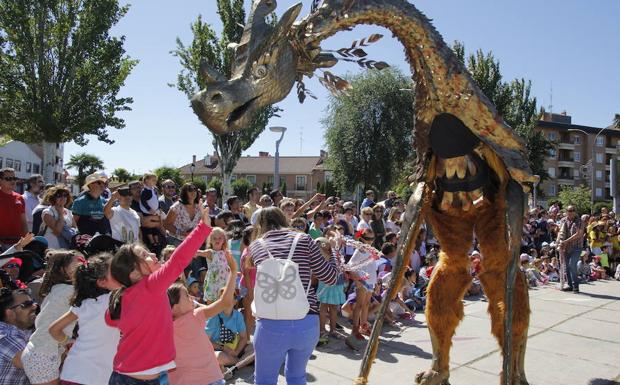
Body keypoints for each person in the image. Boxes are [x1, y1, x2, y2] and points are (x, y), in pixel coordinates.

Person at [105, 204, 212, 385]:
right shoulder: (150, 287)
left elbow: (110, 319)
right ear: (134, 273)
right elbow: (178, 260)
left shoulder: (125, 296)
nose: (152, 254)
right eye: (144, 255)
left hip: (126, 376)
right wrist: (203, 228)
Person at [247, 207, 338, 385]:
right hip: (306, 321)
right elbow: (331, 277)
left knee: (264, 380)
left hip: (269, 324)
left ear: (260, 224)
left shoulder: (256, 246)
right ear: (284, 220)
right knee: (297, 377)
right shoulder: (304, 239)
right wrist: (333, 250)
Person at [48, 254, 120, 385]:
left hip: (73, 373)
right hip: (95, 378)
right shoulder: (113, 299)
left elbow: (54, 329)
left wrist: (69, 342)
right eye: (116, 271)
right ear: (102, 282)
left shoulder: (84, 304)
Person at [166, 252, 236, 385]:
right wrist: (233, 272)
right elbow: (225, 302)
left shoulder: (163, 328)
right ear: (174, 308)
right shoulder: (195, 316)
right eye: (186, 296)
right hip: (211, 379)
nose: (191, 298)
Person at [21, 250, 82, 385]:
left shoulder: (57, 288)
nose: (81, 266)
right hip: (44, 355)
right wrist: (68, 340)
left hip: (37, 352)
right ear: (63, 270)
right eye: (77, 264)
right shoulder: (70, 291)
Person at [205, 289, 254, 376]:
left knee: (255, 348)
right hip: (220, 350)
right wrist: (223, 348)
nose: (225, 300)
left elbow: (243, 337)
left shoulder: (238, 315)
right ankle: (243, 362)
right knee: (218, 357)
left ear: (235, 301)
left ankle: (233, 367)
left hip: (235, 348)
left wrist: (237, 352)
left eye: (229, 297)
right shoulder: (214, 316)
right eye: (223, 297)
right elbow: (206, 341)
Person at [0, 287, 37, 385]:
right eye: (26, 304)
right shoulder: (5, 336)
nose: (34, 306)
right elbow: (37, 365)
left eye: (33, 302)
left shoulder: (23, 329)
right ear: (10, 313)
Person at [346, 228, 377, 341]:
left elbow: (372, 266)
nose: (371, 241)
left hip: (371, 280)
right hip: (363, 281)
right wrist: (357, 280)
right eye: (368, 239)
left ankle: (363, 326)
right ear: (362, 238)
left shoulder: (370, 249)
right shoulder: (360, 251)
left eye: (372, 238)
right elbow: (349, 266)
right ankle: (355, 329)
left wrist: (376, 281)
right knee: (359, 305)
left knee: (366, 304)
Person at [199, 228, 232, 304]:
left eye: (220, 238)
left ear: (224, 240)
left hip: (224, 282)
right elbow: (198, 252)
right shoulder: (210, 252)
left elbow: (229, 267)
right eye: (214, 238)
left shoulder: (226, 253)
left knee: (223, 304)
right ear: (210, 240)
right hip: (212, 283)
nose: (217, 240)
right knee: (211, 306)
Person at [557, 205, 584, 293]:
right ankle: (570, 285)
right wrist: (560, 241)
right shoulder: (563, 220)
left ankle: (575, 286)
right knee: (567, 267)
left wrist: (565, 241)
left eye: (572, 210)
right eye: (569, 210)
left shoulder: (580, 221)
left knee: (572, 265)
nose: (570, 212)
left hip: (576, 247)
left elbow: (578, 234)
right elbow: (560, 232)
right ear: (566, 211)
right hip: (566, 247)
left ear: (575, 211)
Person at [0, 168, 28, 248]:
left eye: (14, 178)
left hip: (18, 244)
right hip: (1, 244)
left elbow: (23, 221)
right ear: (0, 180)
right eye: (8, 178)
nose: (13, 181)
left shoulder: (19, 197)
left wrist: (26, 241)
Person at [139, 173, 162, 247]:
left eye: (156, 180)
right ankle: (152, 241)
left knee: (154, 226)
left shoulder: (154, 190)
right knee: (149, 227)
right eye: (153, 180)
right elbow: (143, 201)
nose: (155, 182)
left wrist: (158, 208)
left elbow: (156, 200)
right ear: (146, 180)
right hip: (147, 211)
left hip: (154, 211)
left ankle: (157, 241)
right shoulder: (145, 191)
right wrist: (149, 209)